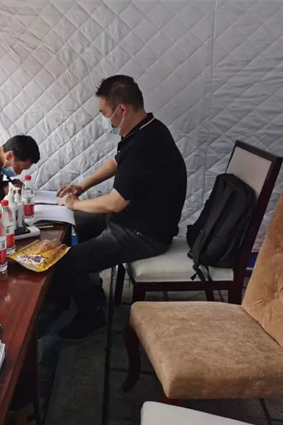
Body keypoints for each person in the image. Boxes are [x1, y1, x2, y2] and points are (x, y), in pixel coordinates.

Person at [54, 75, 187, 341]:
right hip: (134, 219)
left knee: (68, 261)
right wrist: (82, 186)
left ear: (121, 109)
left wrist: (75, 203)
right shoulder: (147, 128)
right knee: (81, 220)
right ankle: (91, 288)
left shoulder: (145, 144)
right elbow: (116, 163)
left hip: (144, 234)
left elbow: (115, 202)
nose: (105, 120)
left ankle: (91, 317)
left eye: (105, 113)